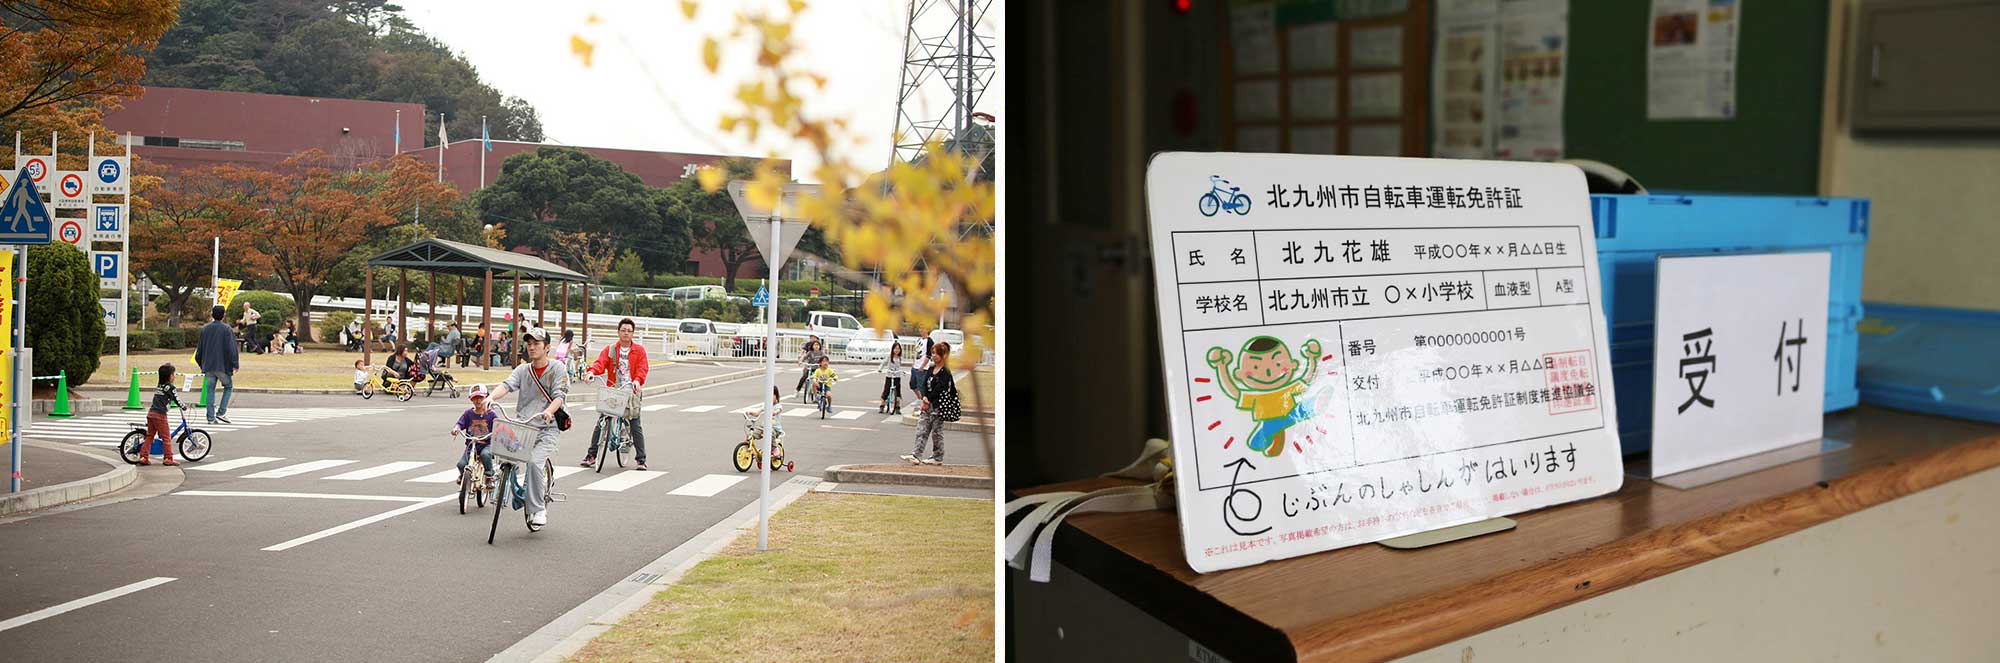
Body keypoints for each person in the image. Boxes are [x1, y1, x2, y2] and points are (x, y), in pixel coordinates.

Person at [483, 326, 568, 528]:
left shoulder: (557, 368)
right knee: (503, 452)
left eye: (536, 344)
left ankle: (538, 508)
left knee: (534, 463)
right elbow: (507, 385)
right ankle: (510, 488)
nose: (532, 347)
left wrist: (549, 410)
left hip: (548, 426)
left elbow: (559, 396)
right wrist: (491, 397)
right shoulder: (523, 370)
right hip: (524, 425)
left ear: (547, 347)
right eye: (529, 344)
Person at [582, 318, 649, 470]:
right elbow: (600, 363)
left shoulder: (639, 351)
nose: (626, 333)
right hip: (613, 389)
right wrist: (591, 372)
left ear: (633, 333)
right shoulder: (611, 349)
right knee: (602, 421)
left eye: (629, 331)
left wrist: (638, 381)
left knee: (635, 423)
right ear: (618, 332)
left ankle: (641, 459)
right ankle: (591, 455)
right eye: (623, 330)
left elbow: (642, 368)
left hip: (631, 390)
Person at [902, 341, 955, 465]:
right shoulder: (931, 368)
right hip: (927, 404)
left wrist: (929, 399)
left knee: (937, 433)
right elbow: (925, 384)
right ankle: (916, 455)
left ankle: (938, 457)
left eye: (936, 353)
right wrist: (925, 397)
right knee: (921, 429)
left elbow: (940, 388)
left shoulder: (945, 372)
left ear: (943, 355)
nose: (934, 355)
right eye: (932, 353)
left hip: (938, 406)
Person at [193, 305, 239, 425]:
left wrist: (201, 363)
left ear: (212, 314)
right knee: (228, 387)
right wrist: (235, 363)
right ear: (223, 315)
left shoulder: (205, 329)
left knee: (210, 390)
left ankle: (210, 417)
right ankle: (221, 412)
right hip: (222, 365)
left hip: (208, 365)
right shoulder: (227, 329)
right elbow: (231, 348)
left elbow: (200, 349)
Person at [451, 385, 499, 491]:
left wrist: (498, 433)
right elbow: (460, 423)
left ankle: (489, 476)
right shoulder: (468, 413)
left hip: (486, 444)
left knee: (485, 455)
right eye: (475, 398)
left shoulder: (491, 414)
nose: (478, 401)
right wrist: (456, 429)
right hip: (471, 444)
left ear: (486, 398)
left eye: (481, 398)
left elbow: (498, 426)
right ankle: (463, 475)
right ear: (471, 399)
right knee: (461, 464)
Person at [140, 363, 183, 466]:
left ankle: (143, 456)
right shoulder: (170, 387)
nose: (174, 376)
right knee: (166, 437)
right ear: (170, 376)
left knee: (150, 436)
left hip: (151, 414)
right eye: (173, 374)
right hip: (160, 415)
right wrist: (184, 406)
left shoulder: (160, 386)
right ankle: (168, 458)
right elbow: (177, 399)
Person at [878, 341, 905, 414]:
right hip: (889, 375)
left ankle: (897, 407)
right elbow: (883, 363)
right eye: (895, 348)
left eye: (898, 349)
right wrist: (880, 369)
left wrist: (901, 372)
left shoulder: (900, 358)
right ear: (892, 349)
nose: (897, 350)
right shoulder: (889, 357)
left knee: (898, 391)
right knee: (886, 390)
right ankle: (882, 405)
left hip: (897, 376)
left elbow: (900, 367)